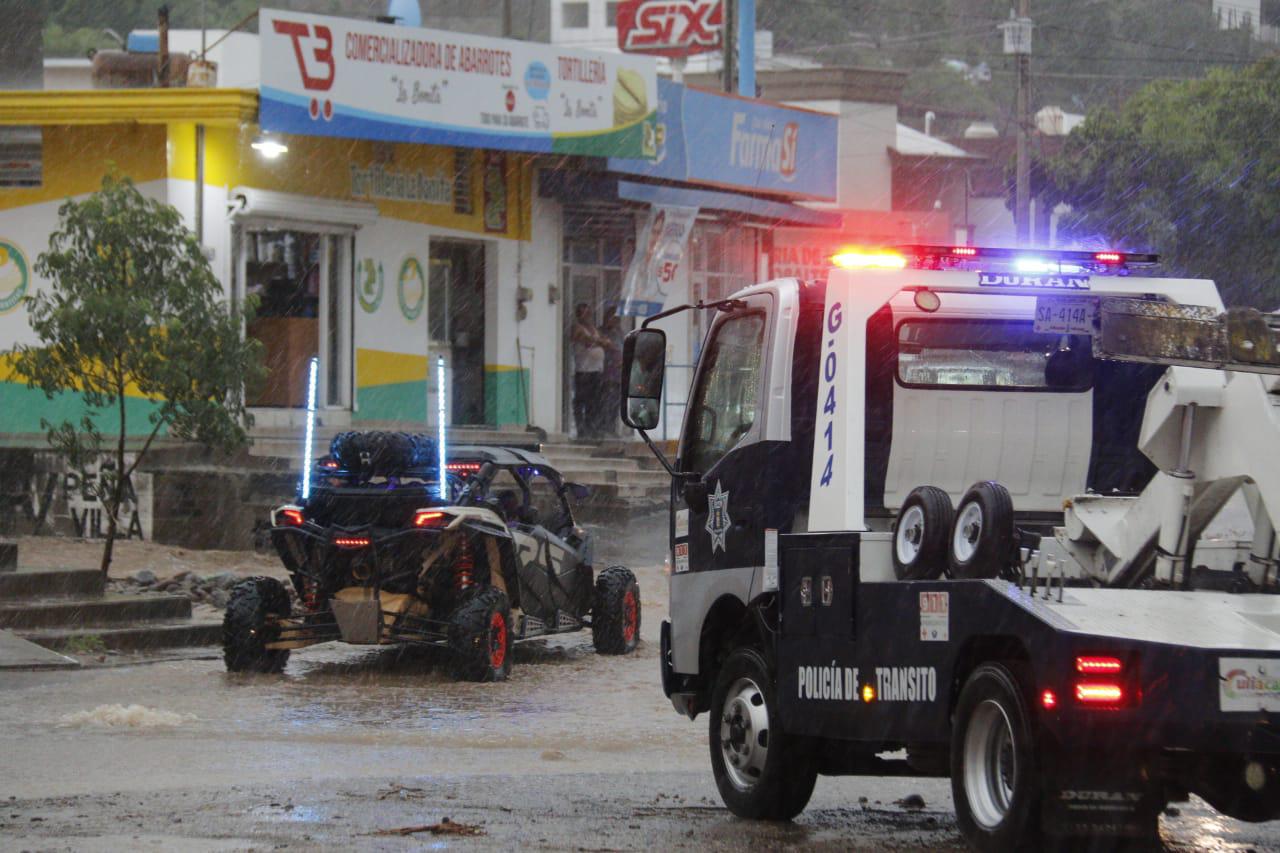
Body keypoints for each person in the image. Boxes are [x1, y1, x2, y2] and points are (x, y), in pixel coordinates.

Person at [571, 303, 608, 439]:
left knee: (595, 403)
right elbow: (587, 341)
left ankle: (591, 429)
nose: (587, 316)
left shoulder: (593, 329)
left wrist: (600, 341)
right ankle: (581, 430)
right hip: (584, 372)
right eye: (584, 314)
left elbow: (605, 341)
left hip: (596, 372)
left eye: (588, 314)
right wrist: (600, 342)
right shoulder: (578, 328)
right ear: (579, 315)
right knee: (582, 401)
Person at [599, 307, 626, 437]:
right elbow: (608, 346)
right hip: (607, 372)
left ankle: (612, 428)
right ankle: (605, 427)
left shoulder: (619, 333)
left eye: (616, 318)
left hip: (618, 373)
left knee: (615, 403)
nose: (614, 321)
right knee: (607, 401)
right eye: (612, 318)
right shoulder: (602, 332)